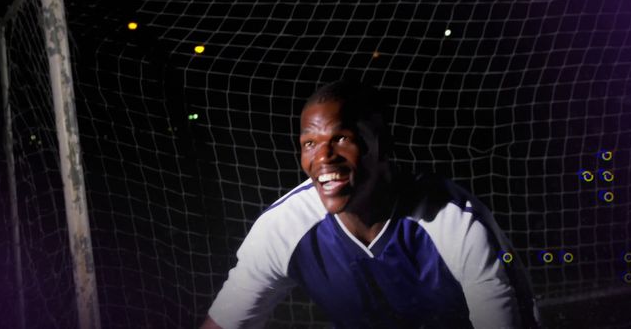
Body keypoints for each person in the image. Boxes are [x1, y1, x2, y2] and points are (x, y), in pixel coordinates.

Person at [202, 80, 540, 328]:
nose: (323, 157)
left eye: (342, 138)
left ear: (382, 144)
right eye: (309, 143)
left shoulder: (454, 221)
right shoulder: (282, 229)